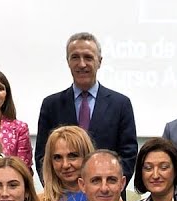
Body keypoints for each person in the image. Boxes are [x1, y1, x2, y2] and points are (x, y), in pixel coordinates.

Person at [35, 32, 138, 179]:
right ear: (68, 61)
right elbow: (42, 156)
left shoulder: (121, 104)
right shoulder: (51, 105)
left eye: (88, 57)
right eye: (75, 57)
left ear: (99, 61)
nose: (82, 64)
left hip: (106, 195)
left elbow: (128, 156)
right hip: (62, 198)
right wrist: (55, 192)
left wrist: (112, 187)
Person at [41, 125, 97, 201]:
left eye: (73, 156)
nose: (65, 165)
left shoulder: (107, 197)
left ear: (87, 157)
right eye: (58, 158)